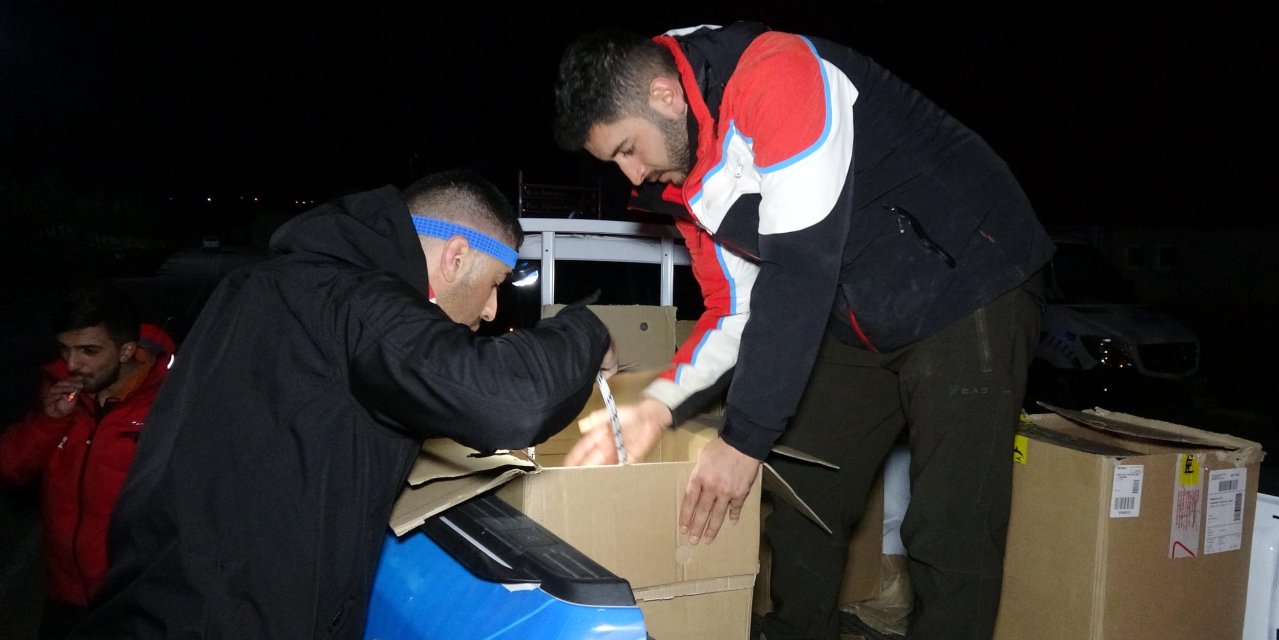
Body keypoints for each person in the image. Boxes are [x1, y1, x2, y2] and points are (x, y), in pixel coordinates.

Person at [554, 22, 1053, 640]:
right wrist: (657, 405)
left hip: (969, 278)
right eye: (615, 162)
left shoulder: (777, 74)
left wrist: (743, 440)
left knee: (951, 523)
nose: (632, 176)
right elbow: (735, 310)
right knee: (806, 494)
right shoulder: (687, 178)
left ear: (665, 95)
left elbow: (797, 271)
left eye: (628, 149)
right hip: (858, 300)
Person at [71, 169, 615, 639]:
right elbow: (510, 400)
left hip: (159, 600)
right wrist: (587, 332)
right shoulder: (353, 298)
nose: (493, 309)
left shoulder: (269, 283)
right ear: (456, 256)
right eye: (496, 283)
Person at [0, 283, 176, 640]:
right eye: (64, 349)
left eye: (89, 351)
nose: (72, 364)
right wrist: (49, 422)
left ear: (126, 350)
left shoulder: (168, 404)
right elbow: (11, 467)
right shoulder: (61, 394)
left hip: (133, 601)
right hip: (63, 596)